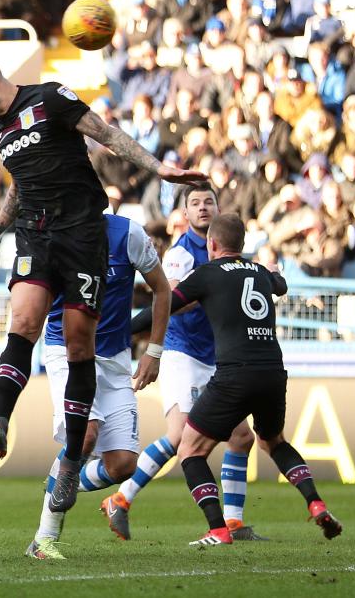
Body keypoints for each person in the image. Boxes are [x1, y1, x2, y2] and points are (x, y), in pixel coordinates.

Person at [0, 59, 204, 513]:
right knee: (25, 320)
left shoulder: (50, 98)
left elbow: (105, 134)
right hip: (36, 233)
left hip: (83, 234)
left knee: (77, 344)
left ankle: (70, 462)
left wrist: (158, 169)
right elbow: (19, 186)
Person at [168, 214, 342, 545]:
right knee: (272, 441)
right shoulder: (259, 271)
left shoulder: (206, 274)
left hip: (235, 373)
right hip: (273, 372)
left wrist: (127, 328)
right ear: (243, 245)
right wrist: (272, 275)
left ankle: (218, 529)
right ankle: (315, 503)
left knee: (190, 451)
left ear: (212, 244)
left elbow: (166, 307)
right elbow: (281, 284)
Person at [103, 184, 263, 541]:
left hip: (216, 357)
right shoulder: (181, 253)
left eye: (209, 202)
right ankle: (120, 498)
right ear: (185, 213)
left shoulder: (230, 254)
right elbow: (173, 299)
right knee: (179, 436)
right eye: (195, 203)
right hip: (182, 352)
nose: (203, 207)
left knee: (240, 437)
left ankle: (234, 522)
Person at [26, 214, 171, 560]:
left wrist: (154, 351)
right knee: (87, 434)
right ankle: (43, 540)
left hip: (115, 360)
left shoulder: (128, 233)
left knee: (123, 465)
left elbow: (163, 289)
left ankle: (60, 478)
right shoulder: (57, 232)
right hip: (66, 349)